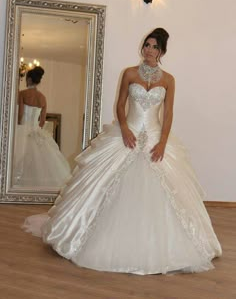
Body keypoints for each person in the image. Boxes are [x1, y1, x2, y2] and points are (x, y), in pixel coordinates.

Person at [23, 29, 222, 274]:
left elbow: (168, 114)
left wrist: (162, 143)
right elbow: (119, 105)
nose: (149, 50)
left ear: (162, 52)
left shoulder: (169, 79)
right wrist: (125, 130)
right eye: (147, 45)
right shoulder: (129, 73)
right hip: (127, 134)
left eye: (155, 47)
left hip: (155, 138)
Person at [13, 66, 71, 188]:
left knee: (18, 160)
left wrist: (18, 127)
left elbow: (20, 114)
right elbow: (42, 121)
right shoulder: (43, 98)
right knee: (38, 164)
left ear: (28, 79)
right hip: (36, 131)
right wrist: (35, 129)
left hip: (22, 128)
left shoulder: (22, 94)